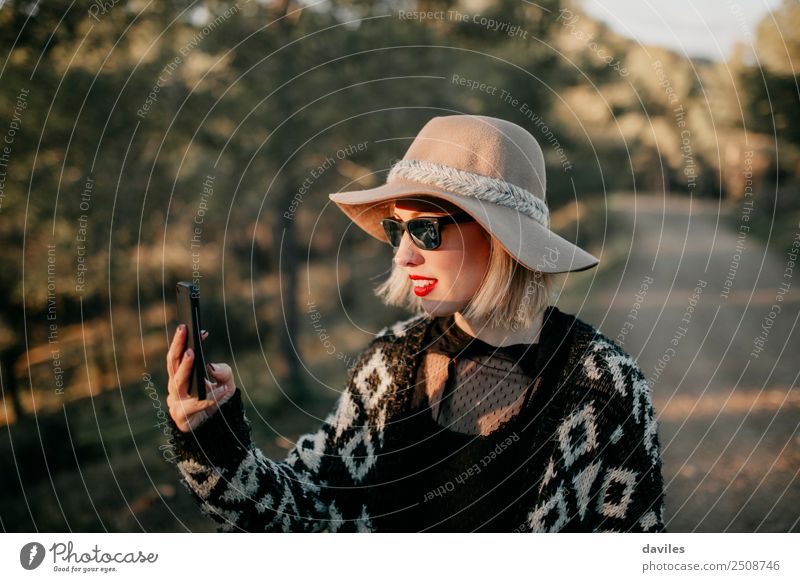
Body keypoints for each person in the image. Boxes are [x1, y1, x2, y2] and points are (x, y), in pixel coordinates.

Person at [165, 114, 666, 532]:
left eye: (425, 230)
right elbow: (304, 514)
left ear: (500, 239)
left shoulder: (604, 388)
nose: (403, 256)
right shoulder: (386, 364)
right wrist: (211, 433)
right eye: (396, 229)